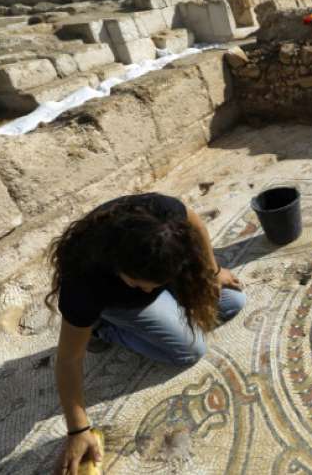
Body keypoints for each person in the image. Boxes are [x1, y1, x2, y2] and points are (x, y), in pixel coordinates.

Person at [47, 193, 246, 474]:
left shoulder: (163, 217)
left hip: (161, 270)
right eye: (139, 284)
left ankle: (163, 299)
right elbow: (68, 358)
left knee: (234, 302)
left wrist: (212, 271)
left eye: (155, 284)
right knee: (190, 350)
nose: (147, 289)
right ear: (120, 268)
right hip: (115, 303)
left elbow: (196, 223)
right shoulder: (84, 282)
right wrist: (78, 428)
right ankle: (102, 327)